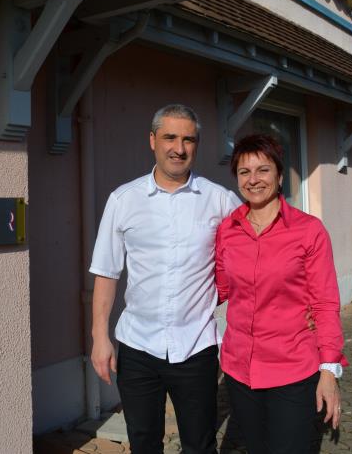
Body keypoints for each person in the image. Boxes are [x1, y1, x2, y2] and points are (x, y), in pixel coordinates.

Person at [89, 103, 240, 454]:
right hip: (138, 346)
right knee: (143, 443)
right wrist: (100, 336)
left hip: (196, 346)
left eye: (188, 139)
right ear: (152, 140)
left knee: (200, 445)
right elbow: (107, 272)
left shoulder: (220, 200)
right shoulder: (123, 200)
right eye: (170, 137)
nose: (179, 148)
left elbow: (255, 252)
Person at [215, 133, 348, 454]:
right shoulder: (227, 230)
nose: (253, 180)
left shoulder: (308, 230)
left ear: (278, 174)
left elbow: (325, 303)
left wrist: (329, 370)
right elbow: (217, 288)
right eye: (244, 172)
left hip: (293, 372)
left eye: (263, 170)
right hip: (239, 371)